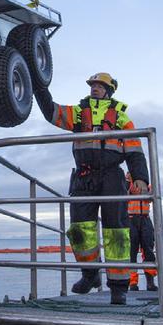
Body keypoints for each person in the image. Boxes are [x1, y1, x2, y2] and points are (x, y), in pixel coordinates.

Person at [34, 72, 149, 305]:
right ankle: (90, 273)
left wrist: (140, 178)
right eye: (93, 85)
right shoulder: (78, 113)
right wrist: (38, 87)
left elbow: (135, 150)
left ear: (109, 90)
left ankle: (119, 287)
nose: (94, 88)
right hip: (83, 176)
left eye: (99, 85)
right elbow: (51, 112)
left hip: (112, 177)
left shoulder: (121, 118)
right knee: (78, 228)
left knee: (116, 231)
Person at [125, 173, 158, 292]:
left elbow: (152, 197)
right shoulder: (124, 184)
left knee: (148, 249)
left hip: (145, 218)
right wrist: (129, 192)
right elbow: (120, 199)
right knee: (131, 252)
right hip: (130, 220)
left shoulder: (146, 185)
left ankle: (150, 282)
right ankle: (132, 283)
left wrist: (148, 192)